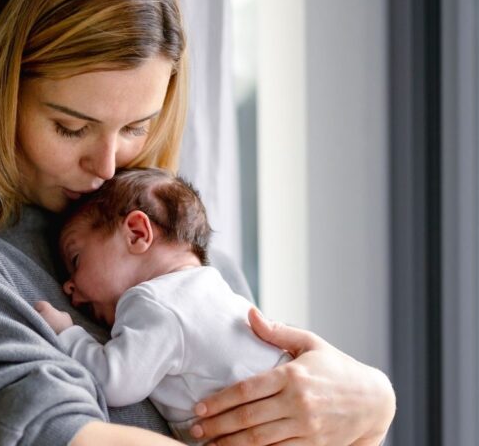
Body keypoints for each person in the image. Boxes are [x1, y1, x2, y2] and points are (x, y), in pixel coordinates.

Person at [0, 0, 396, 445]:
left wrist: (370, 410)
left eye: (136, 127)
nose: (107, 165)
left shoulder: (203, 268)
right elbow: (49, 433)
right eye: (71, 127)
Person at [34, 167, 293, 445]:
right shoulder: (212, 288)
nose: (68, 287)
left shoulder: (155, 302)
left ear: (136, 233)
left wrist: (67, 333)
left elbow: (114, 382)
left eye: (76, 260)